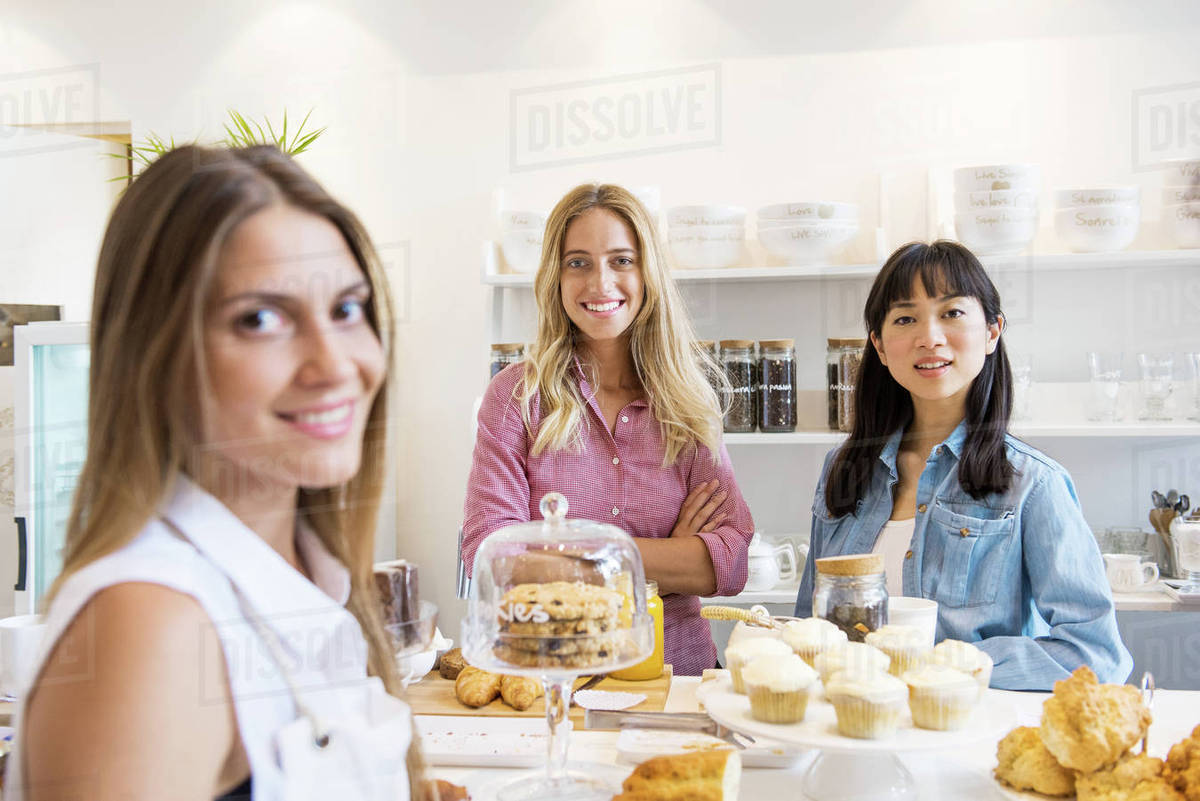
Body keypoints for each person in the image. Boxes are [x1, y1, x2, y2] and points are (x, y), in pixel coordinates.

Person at [9, 146, 428, 800]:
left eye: (347, 309)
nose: (334, 364)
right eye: (261, 319)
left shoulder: (307, 572)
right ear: (157, 352)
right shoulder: (151, 624)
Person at [793, 240, 1132, 690]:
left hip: (967, 737)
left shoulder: (1033, 483)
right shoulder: (845, 467)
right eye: (905, 318)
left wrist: (945, 667)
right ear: (878, 343)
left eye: (952, 313)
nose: (929, 337)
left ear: (992, 331)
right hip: (845, 728)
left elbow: (1096, 655)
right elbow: (806, 630)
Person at [462, 184, 755, 676]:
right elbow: (490, 558)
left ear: (647, 272)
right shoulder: (516, 399)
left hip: (675, 678)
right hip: (555, 681)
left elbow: (728, 563)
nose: (601, 283)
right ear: (555, 276)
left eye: (621, 260)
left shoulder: (687, 400)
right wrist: (657, 563)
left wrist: (557, 557)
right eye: (578, 262)